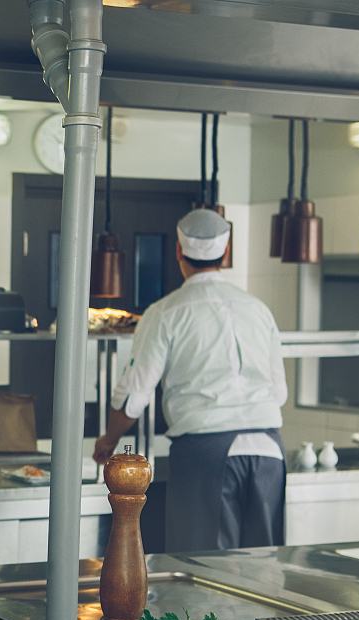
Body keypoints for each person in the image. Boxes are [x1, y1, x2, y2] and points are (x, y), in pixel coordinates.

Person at [93, 209, 287, 552]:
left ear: (179, 253)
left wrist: (109, 440)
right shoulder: (259, 309)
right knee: (264, 568)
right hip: (270, 449)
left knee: (203, 567)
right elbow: (279, 392)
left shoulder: (166, 312)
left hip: (206, 452)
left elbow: (134, 394)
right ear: (226, 254)